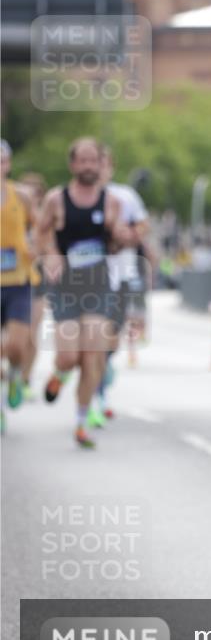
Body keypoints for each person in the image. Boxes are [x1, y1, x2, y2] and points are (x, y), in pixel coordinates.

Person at [36, 137, 131, 448]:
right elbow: (42, 231)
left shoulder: (111, 202)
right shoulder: (56, 199)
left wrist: (120, 237)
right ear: (73, 164)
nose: (89, 166)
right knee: (68, 355)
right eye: (84, 160)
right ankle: (59, 375)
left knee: (92, 355)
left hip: (98, 287)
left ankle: (80, 421)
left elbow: (117, 242)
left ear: (100, 165)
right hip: (66, 288)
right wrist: (50, 253)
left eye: (94, 161)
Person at [89, 147, 150, 424]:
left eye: (102, 164)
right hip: (86, 280)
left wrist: (125, 237)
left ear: (110, 168)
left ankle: (103, 372)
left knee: (109, 342)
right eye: (92, 163)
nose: (97, 169)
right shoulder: (75, 197)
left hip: (119, 277)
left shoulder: (125, 196)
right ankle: (95, 396)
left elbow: (142, 228)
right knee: (92, 341)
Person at [0, 140, 36, 420]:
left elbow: (38, 227)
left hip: (18, 280)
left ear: (8, 164)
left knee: (16, 345)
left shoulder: (21, 196)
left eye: (2, 160)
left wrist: (36, 246)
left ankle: (14, 374)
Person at [17, 172, 48, 400]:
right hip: (11, 280)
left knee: (31, 334)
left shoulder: (42, 220)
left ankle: (25, 379)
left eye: (34, 192)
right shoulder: (10, 213)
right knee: (13, 336)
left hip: (36, 280)